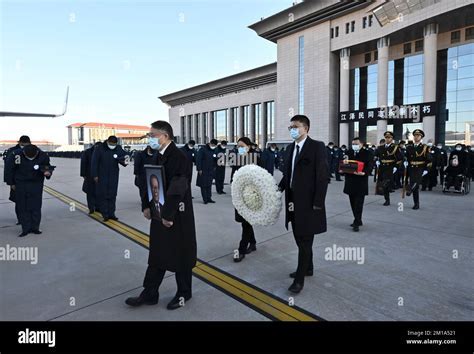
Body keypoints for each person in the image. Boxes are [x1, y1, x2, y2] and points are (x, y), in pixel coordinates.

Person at [125, 120, 196, 310]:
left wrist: (168, 214)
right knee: (157, 253)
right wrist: (146, 206)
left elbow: (178, 187)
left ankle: (184, 293)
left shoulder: (180, 157)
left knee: (180, 254)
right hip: (158, 213)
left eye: (152, 135)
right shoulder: (156, 156)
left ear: (165, 136)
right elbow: (147, 183)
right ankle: (150, 293)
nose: (150, 138)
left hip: (176, 215)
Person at [278, 115, 329, 294]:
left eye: (296, 126)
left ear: (306, 128)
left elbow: (322, 176)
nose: (292, 129)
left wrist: (318, 203)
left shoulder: (317, 147)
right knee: (300, 239)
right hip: (293, 202)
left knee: (305, 241)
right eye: (290, 126)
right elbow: (288, 175)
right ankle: (309, 267)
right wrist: (277, 190)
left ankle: (299, 279)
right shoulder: (290, 148)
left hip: (309, 204)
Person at [4, 144, 53, 237]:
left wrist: (48, 173)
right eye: (27, 156)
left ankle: (35, 228)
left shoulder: (43, 155)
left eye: (33, 157)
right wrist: (11, 183)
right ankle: (25, 229)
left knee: (36, 206)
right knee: (23, 206)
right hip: (20, 184)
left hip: (36, 184)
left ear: (37, 152)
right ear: (24, 152)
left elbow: (47, 167)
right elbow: (9, 169)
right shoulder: (15, 154)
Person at [231, 137, 263, 262]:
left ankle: (241, 250)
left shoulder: (256, 159)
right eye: (238, 146)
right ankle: (253, 242)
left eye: (242, 146)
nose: (239, 148)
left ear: (248, 147)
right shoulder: (237, 159)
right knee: (245, 221)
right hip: (239, 195)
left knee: (246, 222)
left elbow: (263, 177)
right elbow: (234, 176)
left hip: (251, 195)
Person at [91, 136, 129, 222]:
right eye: (111, 144)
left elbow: (125, 157)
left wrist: (124, 160)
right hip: (102, 175)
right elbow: (94, 162)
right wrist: (95, 175)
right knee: (103, 195)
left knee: (112, 194)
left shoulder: (118, 148)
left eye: (114, 144)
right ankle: (105, 214)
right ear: (107, 141)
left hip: (113, 175)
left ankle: (112, 213)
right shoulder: (99, 148)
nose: (112, 146)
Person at [342, 138, 372, 232]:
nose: (354, 145)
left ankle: (356, 222)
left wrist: (365, 172)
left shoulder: (367, 153)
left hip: (361, 181)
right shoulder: (349, 152)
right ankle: (358, 219)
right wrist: (342, 169)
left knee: (359, 203)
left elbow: (370, 165)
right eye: (352, 144)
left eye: (356, 144)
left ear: (362, 144)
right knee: (352, 202)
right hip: (350, 181)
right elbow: (344, 164)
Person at [3, 135, 31, 225]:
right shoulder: (12, 151)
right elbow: (8, 168)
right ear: (19, 142)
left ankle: (28, 218)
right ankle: (20, 219)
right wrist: (11, 183)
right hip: (16, 181)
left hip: (29, 181)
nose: (25, 147)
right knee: (18, 201)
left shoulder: (33, 149)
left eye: (27, 145)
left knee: (29, 201)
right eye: (23, 144)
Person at [404, 129, 432, 209]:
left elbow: (429, 160)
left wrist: (426, 169)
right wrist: (405, 162)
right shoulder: (409, 147)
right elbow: (407, 157)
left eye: (418, 136)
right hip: (411, 168)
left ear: (421, 137)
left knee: (415, 184)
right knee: (415, 186)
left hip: (420, 168)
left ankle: (410, 191)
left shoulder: (425, 148)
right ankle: (416, 202)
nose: (416, 137)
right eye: (415, 135)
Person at [374, 132, 403, 206]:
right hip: (381, 168)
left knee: (385, 184)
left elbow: (400, 158)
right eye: (386, 137)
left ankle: (387, 200)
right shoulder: (380, 147)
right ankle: (386, 198)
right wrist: (376, 161)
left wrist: (396, 167)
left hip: (390, 167)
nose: (387, 139)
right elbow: (375, 156)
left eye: (389, 137)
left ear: (392, 139)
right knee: (381, 184)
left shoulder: (395, 147)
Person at [80, 142, 102, 214]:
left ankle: (98, 207)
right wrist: (83, 174)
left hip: (100, 176)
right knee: (90, 193)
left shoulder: (103, 152)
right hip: (89, 175)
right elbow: (83, 163)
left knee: (98, 192)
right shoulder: (87, 152)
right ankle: (91, 208)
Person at [195, 139, 218, 204]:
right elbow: (198, 159)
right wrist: (199, 169)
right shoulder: (203, 149)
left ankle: (209, 198)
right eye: (213, 145)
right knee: (203, 185)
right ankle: (205, 199)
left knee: (209, 185)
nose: (214, 146)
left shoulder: (214, 150)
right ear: (210, 143)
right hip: (203, 170)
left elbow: (215, 158)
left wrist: (215, 166)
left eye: (215, 145)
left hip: (210, 170)